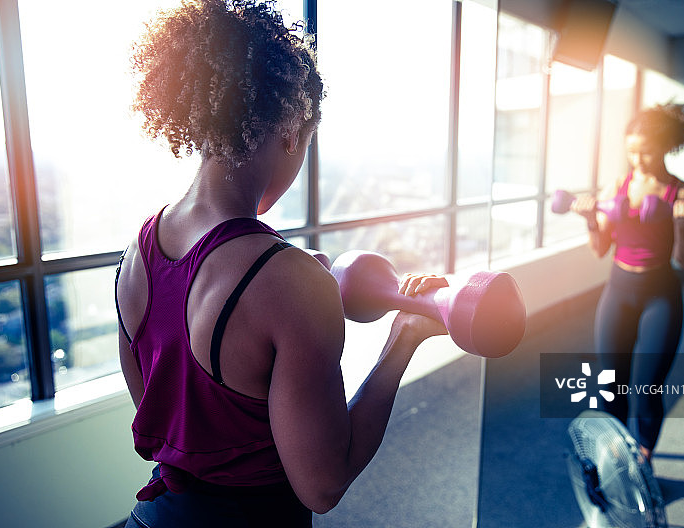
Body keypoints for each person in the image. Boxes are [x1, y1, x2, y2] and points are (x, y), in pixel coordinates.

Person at [115, 1, 448, 526]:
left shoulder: (138, 250)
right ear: (291, 132)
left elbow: (167, 422)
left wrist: (292, 281)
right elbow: (323, 484)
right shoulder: (287, 281)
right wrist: (403, 339)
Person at [571, 102, 684, 461]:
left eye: (645, 151)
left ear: (665, 146)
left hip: (660, 297)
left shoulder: (682, 194)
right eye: (631, 151)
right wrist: (590, 220)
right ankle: (616, 451)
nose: (637, 159)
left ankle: (643, 458)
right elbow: (600, 249)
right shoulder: (617, 186)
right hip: (618, 292)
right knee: (611, 383)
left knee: (646, 387)